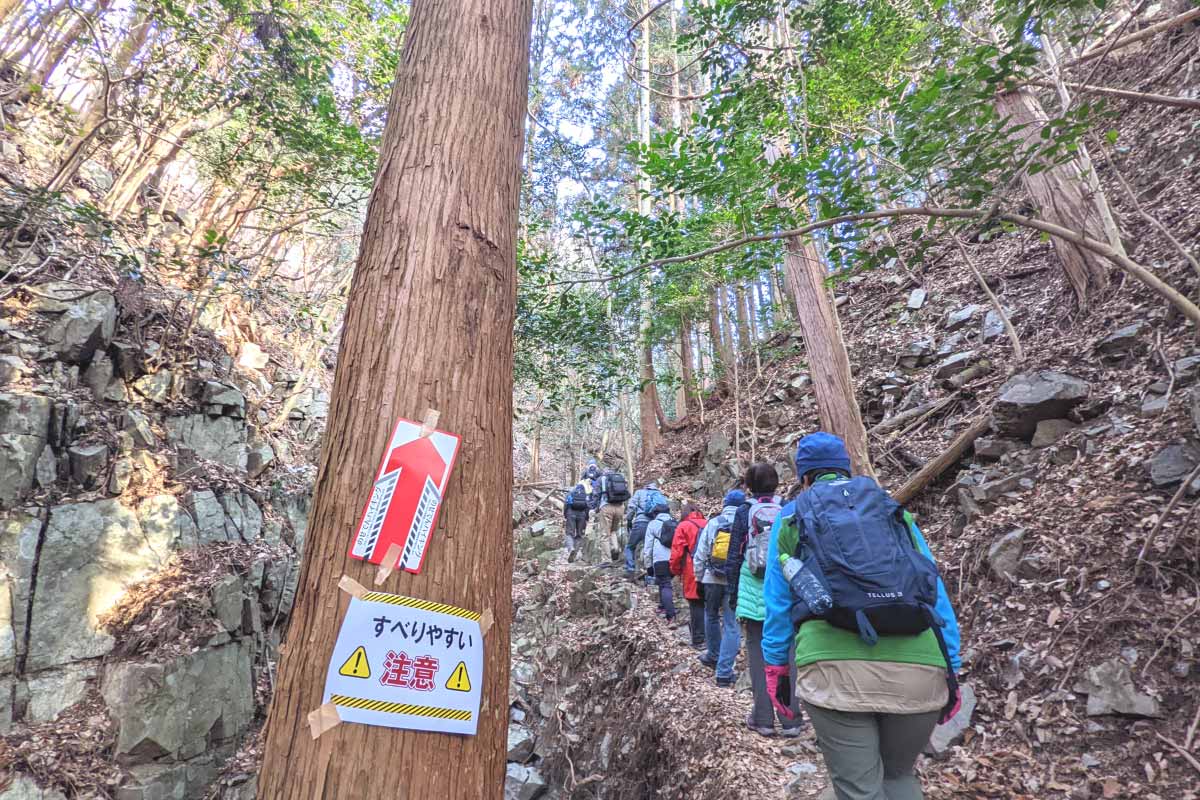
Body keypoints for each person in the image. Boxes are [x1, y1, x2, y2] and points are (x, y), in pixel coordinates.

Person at [761, 433, 963, 800]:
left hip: (833, 668)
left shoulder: (792, 516)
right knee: (899, 777)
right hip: (920, 666)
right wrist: (952, 668)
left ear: (803, 477)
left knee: (859, 790)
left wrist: (776, 668)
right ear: (846, 468)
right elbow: (934, 588)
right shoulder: (889, 509)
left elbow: (777, 603)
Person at [726, 462, 803, 738]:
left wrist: (733, 595)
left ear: (748, 485)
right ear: (776, 483)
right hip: (783, 589)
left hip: (751, 590)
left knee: (757, 654)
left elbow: (735, 554)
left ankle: (763, 719)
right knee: (788, 653)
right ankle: (791, 719)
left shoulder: (744, 511)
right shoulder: (788, 509)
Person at [692, 489, 745, 687]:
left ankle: (713, 655)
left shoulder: (714, 522)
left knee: (711, 615)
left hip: (711, 577)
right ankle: (724, 672)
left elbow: (701, 552)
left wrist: (699, 578)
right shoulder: (745, 523)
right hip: (734, 579)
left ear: (725, 504)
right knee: (731, 624)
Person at [670, 501, 708, 649]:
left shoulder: (683, 526)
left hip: (691, 569)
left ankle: (699, 639)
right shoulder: (709, 523)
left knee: (696, 604)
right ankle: (713, 638)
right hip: (711, 569)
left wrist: (675, 571)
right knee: (709, 604)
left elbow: (677, 552)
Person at [625, 480, 667, 582]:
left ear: (645, 486)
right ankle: (650, 574)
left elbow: (632, 507)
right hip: (655, 524)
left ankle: (631, 570)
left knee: (630, 547)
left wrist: (629, 520)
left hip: (641, 523)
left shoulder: (639, 492)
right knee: (650, 549)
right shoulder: (659, 495)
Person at [642, 502, 678, 622]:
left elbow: (648, 547)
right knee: (664, 582)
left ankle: (671, 615)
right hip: (675, 558)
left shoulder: (653, 524)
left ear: (655, 513)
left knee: (664, 584)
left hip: (660, 559)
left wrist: (648, 565)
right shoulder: (675, 523)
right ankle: (662, 606)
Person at [594, 468, 631, 562]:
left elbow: (596, 495)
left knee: (604, 534)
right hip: (620, 508)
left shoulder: (601, 479)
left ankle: (607, 559)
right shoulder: (619, 478)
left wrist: (595, 508)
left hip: (606, 507)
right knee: (613, 531)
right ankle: (615, 548)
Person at [562, 482, 590, 563]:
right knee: (579, 535)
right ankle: (575, 554)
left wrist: (565, 515)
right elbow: (587, 507)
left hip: (571, 514)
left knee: (569, 533)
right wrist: (587, 518)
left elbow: (566, 504)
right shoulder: (585, 495)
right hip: (582, 515)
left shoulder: (571, 493)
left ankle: (571, 548)